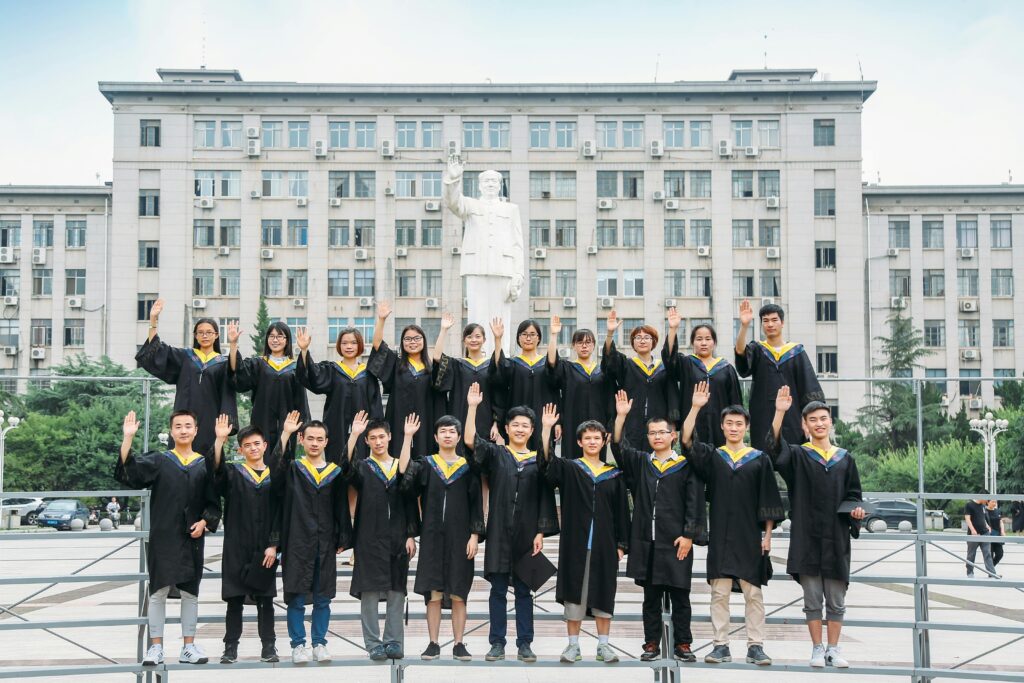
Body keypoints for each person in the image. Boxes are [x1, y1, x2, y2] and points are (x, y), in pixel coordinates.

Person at [681, 382, 784, 666]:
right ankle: (720, 645)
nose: (734, 428)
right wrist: (696, 407)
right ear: (723, 427)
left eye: (739, 423)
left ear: (746, 427)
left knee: (754, 593)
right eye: (729, 423)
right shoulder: (713, 457)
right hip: (722, 537)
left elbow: (768, 498)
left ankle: (756, 645)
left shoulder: (758, 459)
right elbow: (686, 441)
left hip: (750, 536)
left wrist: (767, 535)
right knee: (719, 592)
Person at [767, 387, 865, 669]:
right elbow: (774, 451)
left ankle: (834, 649)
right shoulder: (798, 456)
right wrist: (779, 412)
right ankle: (816, 649)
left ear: (830, 421)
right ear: (804, 425)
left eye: (823, 418)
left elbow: (854, 495)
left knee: (836, 599)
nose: (819, 423)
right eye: (813, 420)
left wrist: (856, 511)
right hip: (806, 537)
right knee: (812, 599)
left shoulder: (845, 458)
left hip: (835, 537)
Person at [116, 410, 220, 667]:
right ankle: (156, 648)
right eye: (178, 426)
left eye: (188, 426)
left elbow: (213, 501)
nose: (183, 430)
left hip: (192, 536)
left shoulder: (204, 464)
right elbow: (129, 473)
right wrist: (127, 439)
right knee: (158, 591)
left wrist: (205, 521)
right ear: (171, 432)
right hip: (163, 535)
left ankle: (188, 646)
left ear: (196, 430)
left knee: (190, 593)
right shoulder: (160, 460)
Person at [464, 383, 559, 663]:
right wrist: (472, 407)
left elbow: (545, 492)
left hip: (528, 532)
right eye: (515, 424)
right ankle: (496, 642)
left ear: (531, 431)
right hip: (498, 530)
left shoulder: (538, 460)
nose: (519, 429)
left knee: (524, 591)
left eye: (525, 426)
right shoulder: (496, 455)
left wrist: (541, 531)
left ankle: (525, 643)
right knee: (497, 591)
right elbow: (470, 441)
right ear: (506, 428)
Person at [611, 390, 703, 663]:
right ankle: (651, 642)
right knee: (650, 597)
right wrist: (621, 416)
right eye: (652, 433)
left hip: (676, 541)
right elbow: (618, 447)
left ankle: (683, 643)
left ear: (673, 435)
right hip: (647, 542)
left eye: (662, 432)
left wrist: (689, 535)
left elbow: (694, 502)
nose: (657, 437)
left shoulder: (685, 465)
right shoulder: (641, 463)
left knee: (680, 595)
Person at [539, 404, 629, 665]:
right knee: (574, 594)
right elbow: (546, 464)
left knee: (603, 591)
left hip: (605, 543)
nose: (592, 441)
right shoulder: (569, 469)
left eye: (596, 438)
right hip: (575, 543)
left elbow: (623, 512)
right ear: (579, 442)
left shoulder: (614, 475)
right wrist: (546, 429)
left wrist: (622, 543)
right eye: (587, 438)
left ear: (604, 442)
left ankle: (604, 646)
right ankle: (573, 646)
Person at [399, 414, 484, 662]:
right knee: (433, 594)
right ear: (435, 437)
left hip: (461, 538)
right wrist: (407, 438)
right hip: (433, 537)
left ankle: (459, 643)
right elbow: (403, 477)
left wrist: (475, 536)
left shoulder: (468, 468)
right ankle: (433, 643)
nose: (448, 435)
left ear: (459, 437)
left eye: (452, 431)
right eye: (443, 431)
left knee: (459, 593)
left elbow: (476, 503)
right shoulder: (425, 464)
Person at [344, 412, 420, 661]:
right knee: (369, 592)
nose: (378, 442)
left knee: (397, 590)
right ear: (367, 441)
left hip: (397, 537)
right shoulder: (363, 468)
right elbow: (345, 469)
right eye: (372, 438)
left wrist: (411, 535)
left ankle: (394, 641)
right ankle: (373, 643)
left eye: (381, 437)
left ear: (389, 437)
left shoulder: (400, 465)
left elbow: (409, 497)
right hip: (368, 537)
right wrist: (353, 434)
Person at [275, 417, 350, 665]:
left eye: (320, 439)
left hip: (325, 543)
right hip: (297, 542)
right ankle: (298, 645)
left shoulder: (334, 473)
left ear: (326, 442)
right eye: (310, 438)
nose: (315, 443)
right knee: (296, 596)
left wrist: (343, 536)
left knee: (323, 597)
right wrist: (285, 433)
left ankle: (319, 643)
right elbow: (276, 466)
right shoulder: (293, 469)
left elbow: (341, 506)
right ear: (301, 440)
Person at [211, 416, 282, 664]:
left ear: (265, 445)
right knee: (234, 600)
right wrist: (220, 440)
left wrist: (274, 545)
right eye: (247, 445)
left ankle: (269, 647)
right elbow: (215, 472)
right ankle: (230, 647)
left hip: (266, 547)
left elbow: (280, 512)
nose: (253, 448)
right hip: (236, 546)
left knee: (266, 600)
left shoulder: (276, 477)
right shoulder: (233, 473)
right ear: (240, 449)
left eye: (257, 444)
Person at [443, 156, 525, 356]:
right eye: (486, 181)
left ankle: (500, 360)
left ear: (500, 185)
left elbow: (517, 244)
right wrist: (453, 178)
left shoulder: (511, 209)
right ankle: (476, 358)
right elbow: (453, 202)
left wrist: (518, 275)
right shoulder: (470, 205)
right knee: (477, 316)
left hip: (503, 270)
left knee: (501, 320)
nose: (490, 184)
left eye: (494, 181)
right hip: (476, 268)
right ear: (479, 186)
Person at [136, 298, 238, 454]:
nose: (205, 336)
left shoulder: (222, 362)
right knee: (178, 458)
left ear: (216, 335)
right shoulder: (185, 357)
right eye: (200, 333)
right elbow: (156, 350)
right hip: (183, 419)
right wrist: (153, 320)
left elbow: (227, 393)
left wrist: (225, 428)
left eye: (209, 332)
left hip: (210, 422)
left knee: (209, 461)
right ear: (195, 336)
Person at [734, 300, 824, 450]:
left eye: (774, 320)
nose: (770, 324)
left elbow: (808, 387)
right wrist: (744, 326)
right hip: (762, 415)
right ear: (762, 325)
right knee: (764, 456)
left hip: (792, 415)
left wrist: (809, 420)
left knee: (792, 454)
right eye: (766, 321)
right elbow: (741, 354)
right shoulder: (758, 350)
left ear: (782, 323)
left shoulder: (796, 352)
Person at [295, 326, 383, 464]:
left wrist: (374, 429)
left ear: (359, 345)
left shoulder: (368, 373)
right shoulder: (331, 369)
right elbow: (312, 377)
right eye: (344, 343)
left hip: (360, 428)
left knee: (359, 465)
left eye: (353, 343)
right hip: (336, 426)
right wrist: (304, 350)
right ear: (339, 346)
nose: (349, 346)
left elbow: (375, 403)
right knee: (336, 464)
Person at [369, 300, 445, 457]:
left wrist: (443, 330)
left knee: (424, 457)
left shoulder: (431, 370)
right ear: (402, 343)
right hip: (398, 420)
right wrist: (382, 319)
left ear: (424, 341)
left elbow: (439, 358)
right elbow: (377, 345)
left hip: (425, 422)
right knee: (397, 456)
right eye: (408, 339)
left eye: (417, 338)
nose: (413, 342)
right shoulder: (396, 364)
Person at [227, 321, 309, 458]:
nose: (275, 340)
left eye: (280, 336)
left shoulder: (294, 367)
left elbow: (301, 399)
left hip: (287, 423)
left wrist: (304, 427)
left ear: (287, 340)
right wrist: (233, 344)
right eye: (271, 336)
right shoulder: (258, 364)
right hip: (261, 420)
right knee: (260, 456)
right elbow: (238, 373)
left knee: (285, 458)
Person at [664, 308, 741, 447]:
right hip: (693, 426)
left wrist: (734, 427)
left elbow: (735, 402)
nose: (703, 343)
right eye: (699, 339)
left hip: (721, 428)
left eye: (708, 339)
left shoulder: (726, 368)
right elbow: (669, 359)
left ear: (714, 343)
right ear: (693, 343)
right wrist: (673, 329)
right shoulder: (686, 363)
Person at [602, 310, 677, 449]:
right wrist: (610, 334)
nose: (642, 340)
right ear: (633, 343)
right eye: (638, 337)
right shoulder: (626, 365)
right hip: (631, 425)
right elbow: (609, 361)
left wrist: (672, 424)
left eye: (647, 337)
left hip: (658, 426)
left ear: (653, 342)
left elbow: (671, 395)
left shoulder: (663, 368)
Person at [431, 313, 503, 446]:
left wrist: (496, 424)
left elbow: (498, 394)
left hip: (485, 421)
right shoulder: (457, 365)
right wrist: (444, 330)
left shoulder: (490, 366)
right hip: (459, 418)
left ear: (484, 340)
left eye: (477, 336)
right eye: (469, 337)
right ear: (464, 341)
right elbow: (436, 358)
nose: (473, 340)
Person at [548, 317, 613, 460]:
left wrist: (610, 427)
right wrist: (553, 335)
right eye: (580, 342)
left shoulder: (602, 371)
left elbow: (609, 400)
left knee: (597, 462)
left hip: (599, 423)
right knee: (573, 461)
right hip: (572, 423)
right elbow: (552, 363)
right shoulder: (567, 368)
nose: (584, 346)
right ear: (573, 346)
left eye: (588, 342)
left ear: (594, 345)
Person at [493, 318, 559, 451]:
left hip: (543, 419)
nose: (528, 338)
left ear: (539, 338)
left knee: (544, 455)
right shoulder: (512, 364)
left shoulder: (546, 364)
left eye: (532, 334)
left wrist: (558, 422)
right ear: (518, 338)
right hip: (517, 422)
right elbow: (498, 374)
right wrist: (498, 339)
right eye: (524, 334)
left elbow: (556, 388)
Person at [964, 496, 995, 578]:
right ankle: (970, 572)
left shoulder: (983, 506)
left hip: (985, 533)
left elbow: (983, 518)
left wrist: (987, 526)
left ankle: (992, 574)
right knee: (971, 554)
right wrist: (973, 530)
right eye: (987, 499)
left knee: (987, 554)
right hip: (974, 534)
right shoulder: (969, 505)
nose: (987, 501)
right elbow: (967, 519)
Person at [987, 499, 1005, 568]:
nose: (994, 503)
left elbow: (1000, 522)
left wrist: (1002, 531)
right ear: (988, 502)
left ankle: (991, 569)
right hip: (989, 536)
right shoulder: (985, 511)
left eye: (995, 502)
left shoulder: (998, 511)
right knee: (990, 555)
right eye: (993, 502)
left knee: (1000, 554)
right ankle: (991, 572)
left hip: (997, 535)